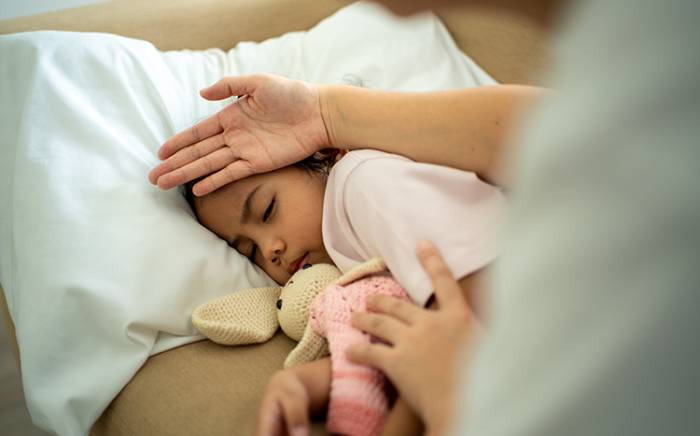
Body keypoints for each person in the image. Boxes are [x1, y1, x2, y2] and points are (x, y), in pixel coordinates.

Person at [150, 0, 700, 435]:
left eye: (266, 210)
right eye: (247, 249)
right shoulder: (350, 248)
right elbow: (420, 336)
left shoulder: (363, 186)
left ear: (327, 156)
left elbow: (469, 317)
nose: (268, 249)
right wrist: (323, 381)